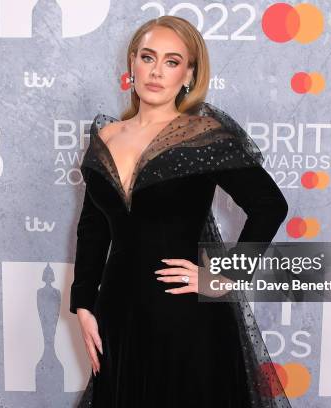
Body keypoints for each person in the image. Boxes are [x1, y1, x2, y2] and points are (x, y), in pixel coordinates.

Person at [69, 15, 292, 408]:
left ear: (188, 74)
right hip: (119, 312)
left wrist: (224, 277)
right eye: (148, 57)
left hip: (185, 311)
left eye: (172, 62)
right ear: (132, 64)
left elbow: (269, 204)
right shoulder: (104, 138)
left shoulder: (203, 136)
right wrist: (84, 303)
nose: (156, 71)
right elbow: (92, 228)